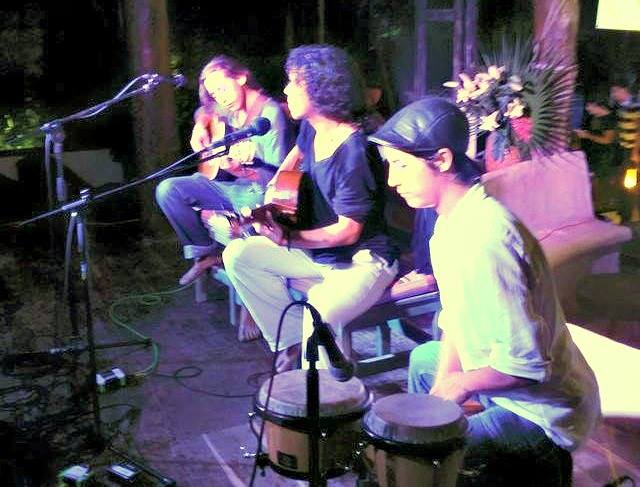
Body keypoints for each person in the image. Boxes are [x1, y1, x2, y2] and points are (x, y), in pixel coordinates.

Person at [369, 97, 601, 485]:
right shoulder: (450, 225)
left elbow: (526, 365)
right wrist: (440, 392)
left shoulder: (485, 238)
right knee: (425, 363)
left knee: (413, 453)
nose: (392, 180)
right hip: (508, 379)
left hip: (541, 412)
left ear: (442, 160)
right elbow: (457, 320)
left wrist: (461, 385)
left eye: (401, 165)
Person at [223, 45, 399, 372]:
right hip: (318, 253)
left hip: (361, 260)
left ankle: (325, 396)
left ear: (320, 89)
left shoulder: (354, 152)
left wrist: (290, 238)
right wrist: (274, 195)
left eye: (294, 82)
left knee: (319, 311)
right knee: (239, 255)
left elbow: (348, 232)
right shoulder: (312, 128)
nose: (286, 90)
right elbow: (295, 157)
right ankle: (292, 341)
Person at [155, 55, 293, 340]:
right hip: (228, 187)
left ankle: (250, 305)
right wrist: (200, 124)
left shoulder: (269, 115)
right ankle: (206, 255)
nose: (220, 97)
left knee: (248, 222)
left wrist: (244, 169)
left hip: (258, 194)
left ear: (241, 77)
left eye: (222, 88)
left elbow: (278, 178)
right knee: (169, 190)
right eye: (214, 92)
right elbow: (204, 110)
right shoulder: (228, 108)